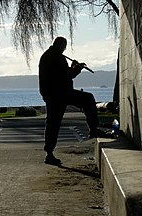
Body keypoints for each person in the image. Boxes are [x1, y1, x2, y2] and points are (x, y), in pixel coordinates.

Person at [38, 36, 109, 165]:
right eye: (64, 47)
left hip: (53, 95)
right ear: (61, 46)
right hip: (60, 94)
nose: (64, 50)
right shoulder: (57, 57)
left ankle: (49, 153)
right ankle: (93, 130)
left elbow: (62, 74)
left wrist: (72, 67)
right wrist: (77, 68)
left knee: (52, 123)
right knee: (88, 99)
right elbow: (67, 76)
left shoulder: (48, 55)